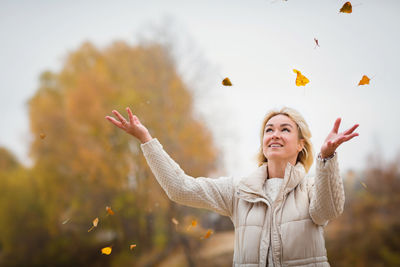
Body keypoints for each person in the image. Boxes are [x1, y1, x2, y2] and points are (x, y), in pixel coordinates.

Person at [105, 106, 359, 267]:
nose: (275, 134)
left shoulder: (312, 188)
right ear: (263, 143)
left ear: (301, 144)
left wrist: (327, 157)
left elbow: (328, 211)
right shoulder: (239, 191)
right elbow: (180, 189)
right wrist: (146, 140)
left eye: (285, 129)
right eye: (269, 130)